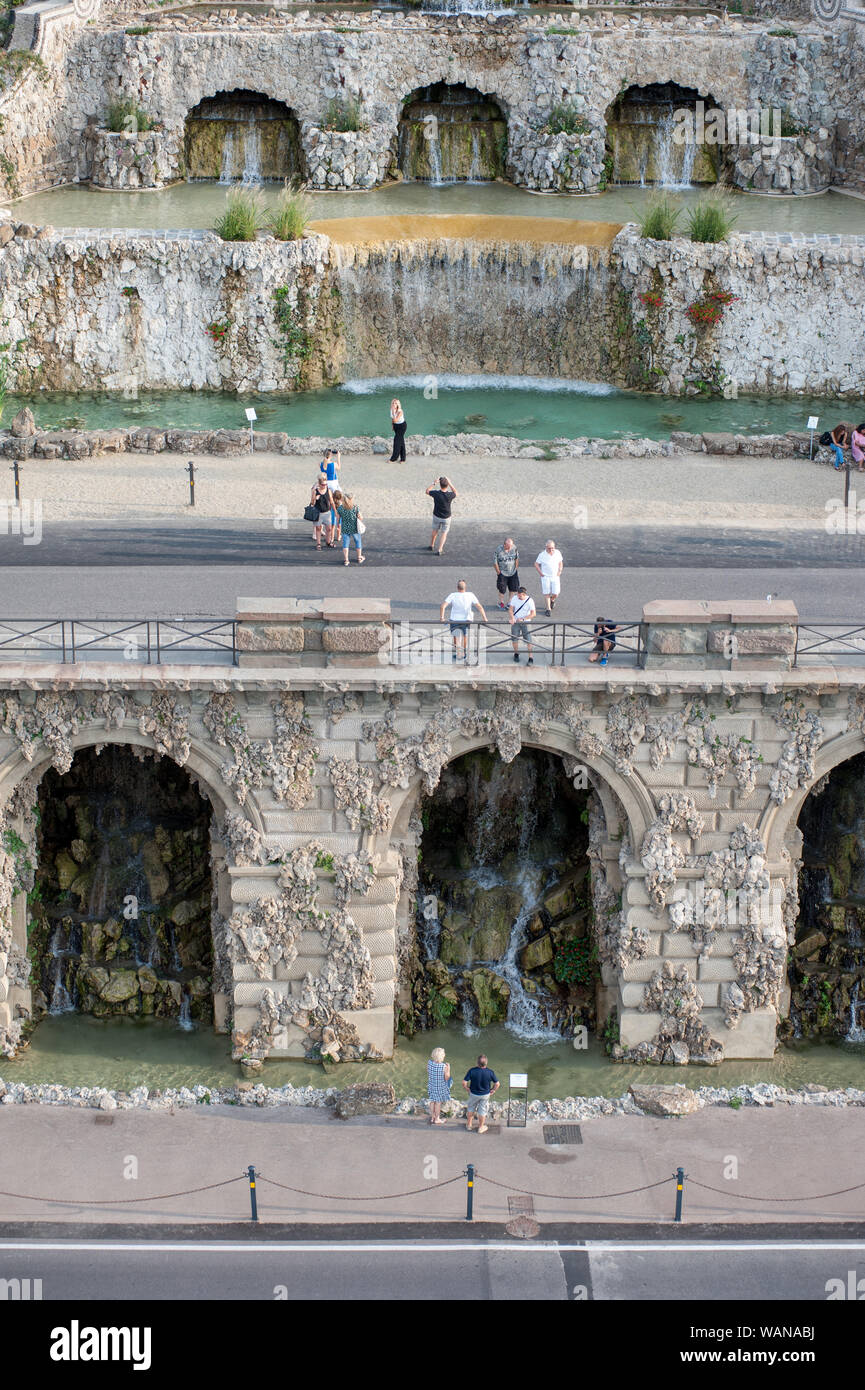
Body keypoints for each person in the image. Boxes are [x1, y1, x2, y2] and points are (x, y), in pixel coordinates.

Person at [440, 578, 486, 663]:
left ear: (457, 588)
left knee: (456, 637)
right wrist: (484, 618)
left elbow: (443, 606)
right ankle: (464, 653)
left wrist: (442, 618)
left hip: (454, 620)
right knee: (464, 636)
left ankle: (458, 654)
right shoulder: (470, 595)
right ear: (465, 588)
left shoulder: (453, 595)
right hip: (466, 620)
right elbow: (479, 606)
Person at [462, 1053, 500, 1135]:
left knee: (471, 1108)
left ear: (477, 1063)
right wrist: (493, 1090)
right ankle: (480, 1127)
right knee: (482, 1110)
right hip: (485, 1095)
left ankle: (469, 1125)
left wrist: (467, 1088)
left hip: (473, 1093)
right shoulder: (490, 1072)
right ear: (486, 1063)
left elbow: (464, 1082)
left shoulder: (472, 1070)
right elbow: (497, 1084)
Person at [426, 476, 457, 555]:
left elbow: (427, 491)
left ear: (440, 485)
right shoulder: (450, 495)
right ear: (447, 485)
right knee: (444, 533)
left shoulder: (436, 493)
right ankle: (440, 549)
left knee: (434, 530)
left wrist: (434, 483)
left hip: (437, 515)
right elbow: (456, 492)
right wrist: (450, 483)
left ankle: (431, 545)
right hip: (446, 517)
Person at [534, 538, 564, 616]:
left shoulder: (557, 553)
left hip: (555, 576)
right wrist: (540, 573)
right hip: (545, 576)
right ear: (546, 547)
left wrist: (560, 570)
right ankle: (548, 609)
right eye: (549, 548)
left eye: (552, 548)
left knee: (556, 592)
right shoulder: (542, 555)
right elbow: (536, 564)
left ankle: (552, 600)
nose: (551, 550)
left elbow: (560, 562)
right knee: (546, 593)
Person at [508, 585, 535, 664]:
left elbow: (533, 614)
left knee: (528, 640)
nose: (518, 597)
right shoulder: (515, 598)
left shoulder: (530, 601)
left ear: (524, 594)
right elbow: (510, 610)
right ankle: (516, 653)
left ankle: (530, 657)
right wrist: (512, 618)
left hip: (526, 623)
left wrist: (524, 619)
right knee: (514, 639)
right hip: (516, 622)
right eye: (518, 595)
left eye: (520, 596)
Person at [337, 492, 365, 565]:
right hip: (355, 528)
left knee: (345, 544)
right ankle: (359, 557)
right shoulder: (355, 507)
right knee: (358, 542)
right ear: (351, 499)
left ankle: (346, 560)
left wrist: (338, 526)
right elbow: (361, 518)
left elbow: (338, 519)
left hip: (345, 528)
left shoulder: (340, 508)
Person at [427, 1046, 451, 1126]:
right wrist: (448, 1069)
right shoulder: (444, 1066)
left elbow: (428, 1071)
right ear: (442, 1057)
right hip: (439, 1087)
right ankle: (437, 1119)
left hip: (432, 1085)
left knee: (432, 1101)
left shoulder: (429, 1063)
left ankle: (432, 1117)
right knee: (438, 1103)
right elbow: (446, 1078)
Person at [494, 537, 520, 609]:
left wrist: (516, 568)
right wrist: (498, 572)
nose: (510, 548)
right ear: (504, 545)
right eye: (508, 547)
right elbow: (495, 562)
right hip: (503, 573)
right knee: (502, 589)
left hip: (513, 572)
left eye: (511, 546)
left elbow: (517, 558)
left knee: (513, 588)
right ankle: (501, 602)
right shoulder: (498, 550)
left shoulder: (514, 548)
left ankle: (510, 602)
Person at [310, 476, 334, 549]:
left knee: (329, 529)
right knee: (318, 529)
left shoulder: (328, 490)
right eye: (323, 484)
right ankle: (318, 544)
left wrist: (335, 511)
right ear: (319, 484)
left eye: (326, 484)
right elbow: (312, 503)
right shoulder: (315, 491)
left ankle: (328, 542)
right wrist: (315, 498)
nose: (325, 486)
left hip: (327, 512)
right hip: (318, 513)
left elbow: (332, 501)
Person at [390, 398, 407, 463]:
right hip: (396, 426)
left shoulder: (400, 411)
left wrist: (393, 412)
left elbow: (395, 420)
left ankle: (394, 458)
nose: (394, 404)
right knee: (401, 442)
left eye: (396, 403)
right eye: (393, 403)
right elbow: (392, 420)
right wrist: (392, 426)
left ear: (398, 404)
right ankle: (403, 459)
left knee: (396, 441)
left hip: (402, 426)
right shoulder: (391, 409)